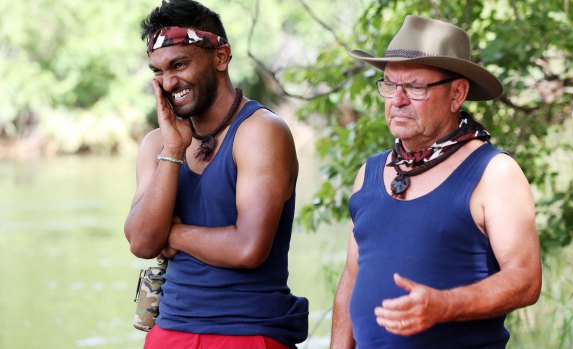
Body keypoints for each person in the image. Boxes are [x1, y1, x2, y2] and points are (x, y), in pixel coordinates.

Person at [330, 16, 542, 349]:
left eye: (415, 87)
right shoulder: (368, 173)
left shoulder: (494, 173)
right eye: (389, 84)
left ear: (457, 93)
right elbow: (351, 280)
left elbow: (525, 280)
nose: (397, 100)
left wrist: (442, 306)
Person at [123, 1, 308, 348]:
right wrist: (174, 151)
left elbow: (248, 247)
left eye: (179, 65)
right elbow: (143, 242)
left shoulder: (260, 132)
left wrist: (173, 235)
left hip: (248, 332)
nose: (168, 82)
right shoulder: (157, 144)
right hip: (168, 331)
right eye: (158, 71)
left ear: (220, 57)